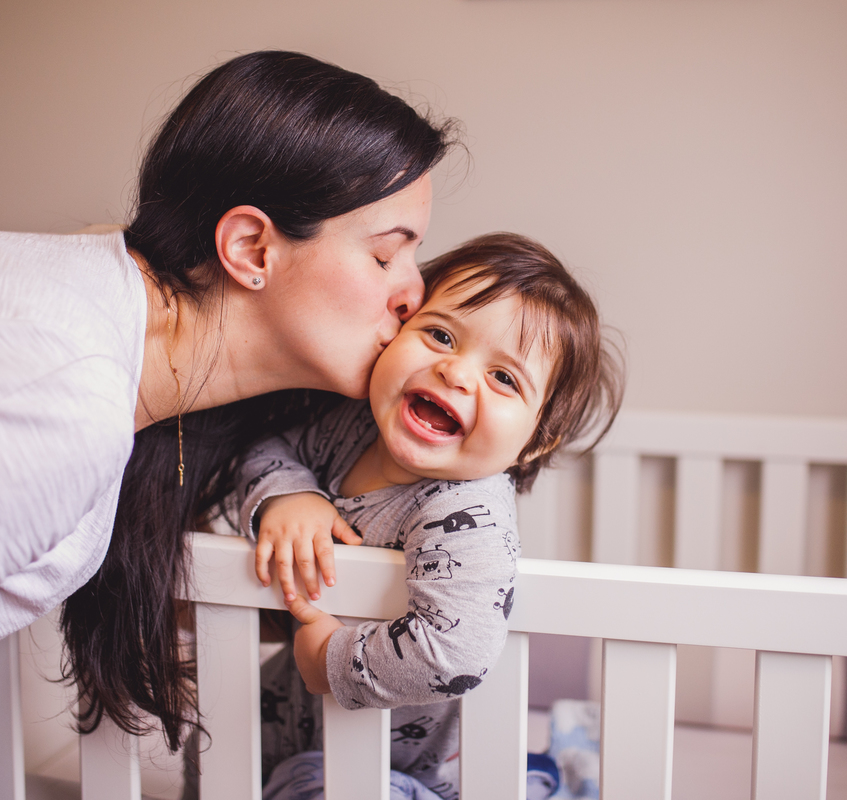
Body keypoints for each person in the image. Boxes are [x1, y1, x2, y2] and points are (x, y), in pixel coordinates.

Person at [0, 50, 456, 792]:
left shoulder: (112, 309)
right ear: (251, 248)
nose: (417, 295)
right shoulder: (51, 401)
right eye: (387, 258)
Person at [234, 233, 623, 799]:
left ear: (537, 439)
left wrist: (330, 659)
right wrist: (292, 494)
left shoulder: (469, 511)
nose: (456, 373)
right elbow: (263, 449)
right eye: (440, 335)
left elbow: (453, 652)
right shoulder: (346, 430)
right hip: (293, 732)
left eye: (504, 378)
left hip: (420, 775)